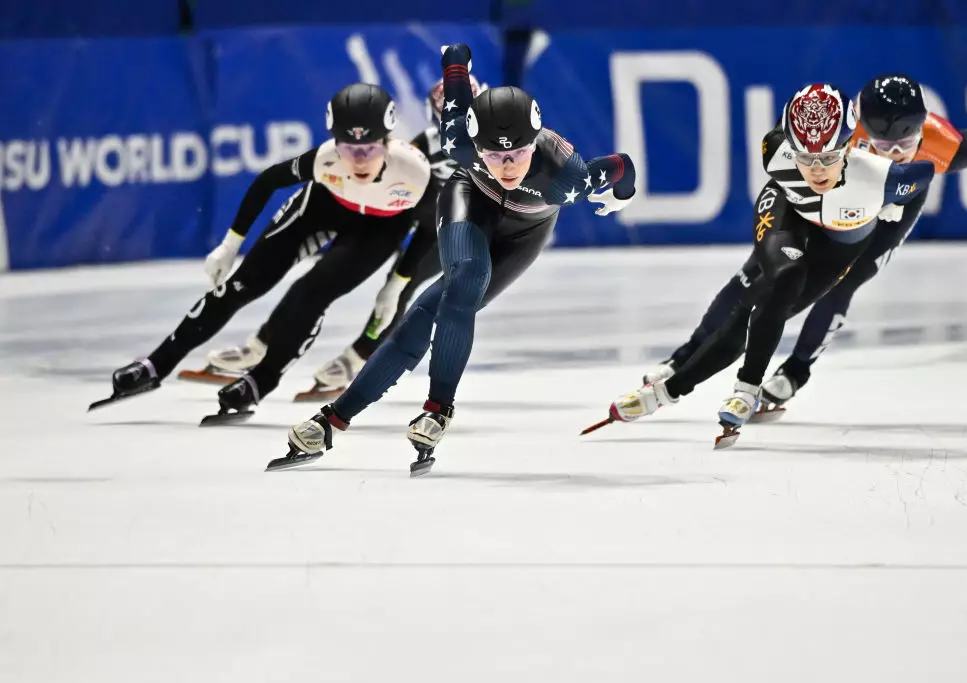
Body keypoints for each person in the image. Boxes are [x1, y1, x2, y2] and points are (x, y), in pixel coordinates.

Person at [273, 42, 638, 474]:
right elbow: (456, 75)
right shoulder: (458, 140)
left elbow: (622, 164)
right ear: (475, 145)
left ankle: (341, 418)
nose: (507, 165)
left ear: (535, 142)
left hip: (527, 231)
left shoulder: (566, 177)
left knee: (427, 311)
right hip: (471, 201)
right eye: (495, 154)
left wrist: (622, 195)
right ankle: (422, 410)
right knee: (466, 277)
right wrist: (457, 57)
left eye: (519, 153)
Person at [642, 74, 967, 422]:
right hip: (830, 193)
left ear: (922, 131)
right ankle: (685, 357)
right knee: (759, 272)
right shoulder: (834, 130)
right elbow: (790, 136)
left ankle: (796, 372)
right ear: (857, 130)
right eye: (881, 146)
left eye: (905, 144)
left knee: (847, 280)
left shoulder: (941, 144)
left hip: (889, 203)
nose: (894, 154)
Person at [602, 82, 936, 446]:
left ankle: (668, 392)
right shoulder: (776, 151)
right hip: (788, 211)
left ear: (847, 146)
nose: (817, 171)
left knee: (782, 301)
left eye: (827, 158)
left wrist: (892, 205)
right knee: (771, 283)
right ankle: (738, 387)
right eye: (806, 159)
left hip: (841, 241)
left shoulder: (880, 178)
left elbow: (925, 174)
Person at [94, 84, 435, 420]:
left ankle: (261, 381)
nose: (359, 159)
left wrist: (397, 282)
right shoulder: (325, 160)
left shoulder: (416, 173)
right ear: (335, 140)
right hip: (322, 208)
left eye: (370, 148)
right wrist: (231, 245)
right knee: (239, 286)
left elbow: (429, 229)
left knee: (309, 294)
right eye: (349, 147)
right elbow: (267, 181)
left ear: (388, 141)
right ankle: (157, 363)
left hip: (378, 231)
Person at [184, 76, 486, 404]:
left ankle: (357, 357)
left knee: (401, 287)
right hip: (427, 224)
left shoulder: (497, 143)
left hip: (463, 232)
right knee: (322, 287)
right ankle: (261, 345)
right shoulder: (423, 146)